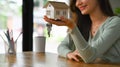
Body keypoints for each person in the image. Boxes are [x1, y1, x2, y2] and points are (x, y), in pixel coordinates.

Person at [44, 0, 120, 63]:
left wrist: (72, 27)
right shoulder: (82, 24)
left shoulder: (116, 23)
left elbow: (89, 57)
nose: (77, 3)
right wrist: (69, 53)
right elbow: (61, 46)